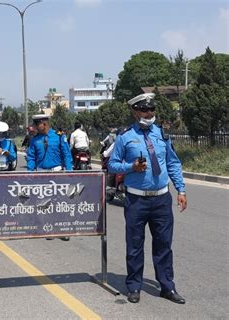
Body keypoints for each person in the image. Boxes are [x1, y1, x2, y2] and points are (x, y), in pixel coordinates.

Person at [108, 93, 188, 305]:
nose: (149, 114)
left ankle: (167, 287)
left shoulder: (162, 134)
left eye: (152, 110)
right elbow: (112, 165)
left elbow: (173, 163)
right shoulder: (125, 136)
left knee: (164, 245)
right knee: (134, 245)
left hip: (161, 199)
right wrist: (131, 167)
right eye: (144, 110)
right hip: (136, 200)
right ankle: (134, 286)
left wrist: (181, 189)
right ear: (135, 112)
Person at [27, 114, 72, 241]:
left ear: (44, 124)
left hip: (57, 172)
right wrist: (30, 172)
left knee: (61, 201)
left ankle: (63, 229)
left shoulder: (58, 137)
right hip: (41, 173)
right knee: (44, 202)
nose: (35, 127)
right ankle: (49, 228)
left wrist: (69, 172)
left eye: (36, 124)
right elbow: (31, 157)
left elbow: (66, 155)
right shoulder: (35, 140)